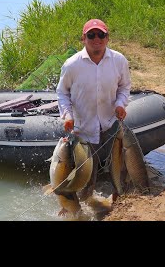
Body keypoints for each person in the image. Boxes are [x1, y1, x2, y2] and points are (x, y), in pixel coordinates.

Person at [56, 18, 131, 201]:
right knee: (85, 175)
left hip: (110, 123)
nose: (96, 39)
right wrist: (67, 115)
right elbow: (62, 93)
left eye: (101, 35)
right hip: (84, 128)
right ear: (83, 38)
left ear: (107, 37)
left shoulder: (119, 60)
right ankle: (84, 206)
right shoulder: (72, 65)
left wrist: (121, 103)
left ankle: (118, 200)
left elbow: (124, 87)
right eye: (91, 35)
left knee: (119, 167)